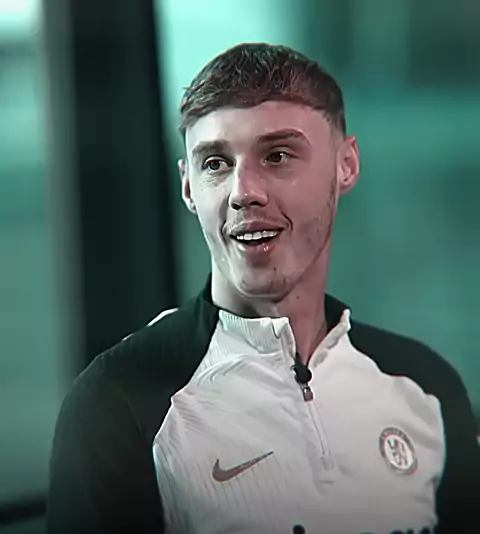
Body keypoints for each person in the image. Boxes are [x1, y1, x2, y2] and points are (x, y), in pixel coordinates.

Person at [46, 43, 480, 534]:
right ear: (188, 186)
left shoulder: (425, 385)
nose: (243, 192)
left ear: (346, 165)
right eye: (215, 163)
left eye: (277, 155)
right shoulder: (119, 404)